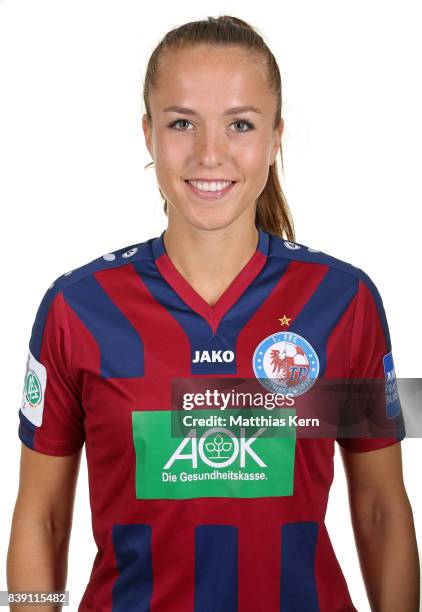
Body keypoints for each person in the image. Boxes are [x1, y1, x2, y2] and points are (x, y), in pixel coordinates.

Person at [7, 14, 419, 612]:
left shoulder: (344, 301)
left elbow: (383, 510)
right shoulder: (76, 308)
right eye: (182, 123)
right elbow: (40, 516)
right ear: (148, 135)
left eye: (240, 125)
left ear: (277, 137)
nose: (209, 153)